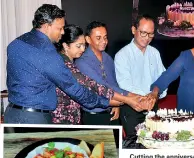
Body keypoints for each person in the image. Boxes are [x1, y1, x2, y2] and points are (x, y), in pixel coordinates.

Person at [4, 5, 143, 124]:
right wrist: (107, 102)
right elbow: (76, 89)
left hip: (11, 114)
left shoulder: (15, 44)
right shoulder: (49, 54)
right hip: (35, 119)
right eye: (60, 28)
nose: (63, 32)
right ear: (46, 26)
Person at [75, 21, 152, 125]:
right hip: (93, 116)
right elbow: (102, 86)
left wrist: (117, 105)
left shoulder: (108, 58)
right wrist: (129, 98)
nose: (104, 41)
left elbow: (114, 84)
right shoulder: (82, 62)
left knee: (117, 141)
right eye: (98, 38)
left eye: (105, 37)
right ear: (88, 39)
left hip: (112, 112)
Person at [52, 25, 117, 124]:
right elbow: (92, 85)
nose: (83, 49)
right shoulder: (64, 65)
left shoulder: (69, 62)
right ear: (66, 46)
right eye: (78, 46)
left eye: (84, 45)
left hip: (72, 119)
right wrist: (124, 100)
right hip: (62, 121)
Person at [114, 14, 167, 135]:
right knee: (135, 147)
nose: (147, 38)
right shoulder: (122, 55)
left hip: (153, 107)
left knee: (155, 143)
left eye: (151, 34)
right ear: (134, 30)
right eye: (143, 33)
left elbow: (162, 79)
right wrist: (144, 99)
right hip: (132, 109)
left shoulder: (155, 53)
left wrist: (154, 95)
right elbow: (124, 84)